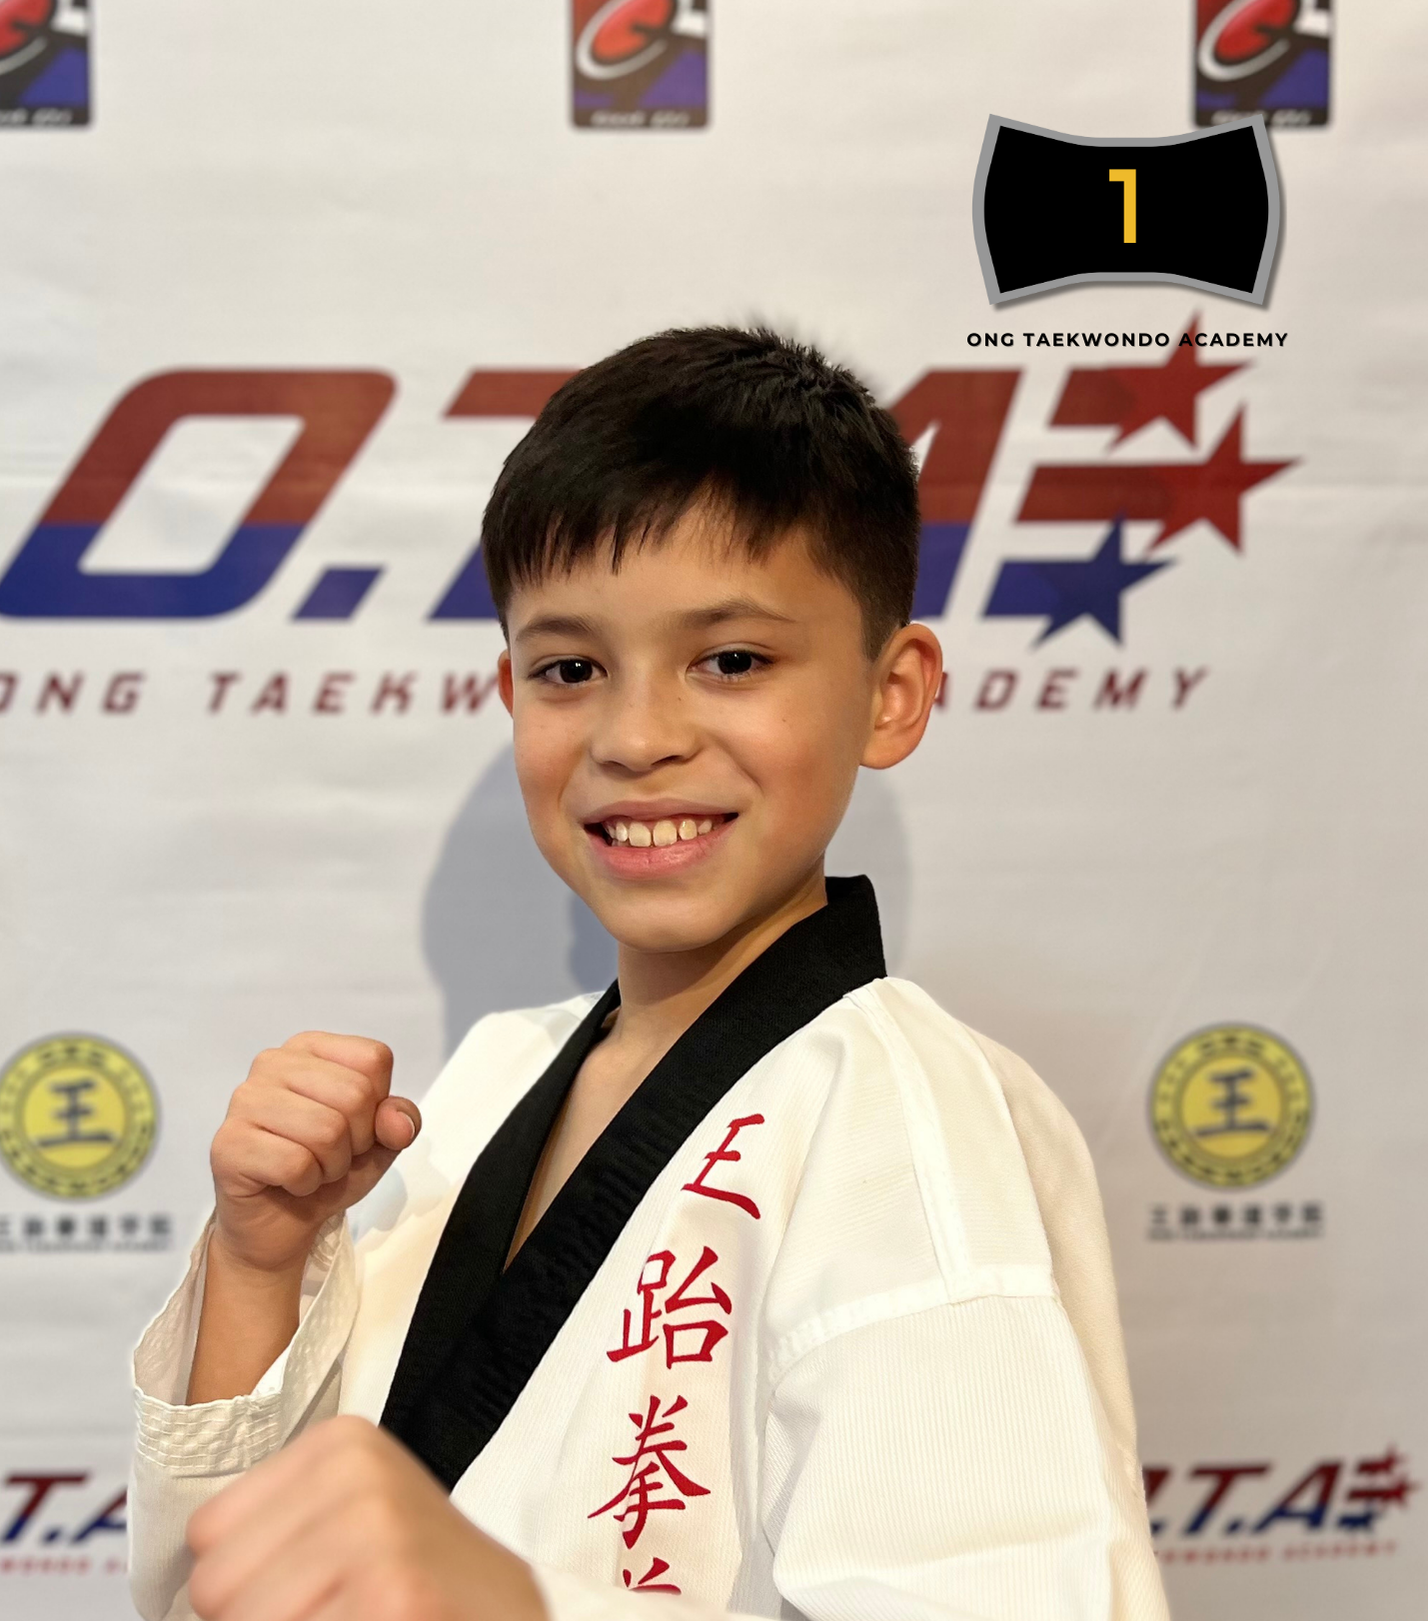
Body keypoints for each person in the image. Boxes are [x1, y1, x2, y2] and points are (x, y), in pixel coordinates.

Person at [129, 327, 1170, 1621]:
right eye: (570, 670)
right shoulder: (496, 1075)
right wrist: (259, 1263)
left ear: (892, 692)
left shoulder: (909, 1121)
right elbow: (240, 1581)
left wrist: (519, 1611)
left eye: (732, 660)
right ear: (511, 692)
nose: (637, 738)